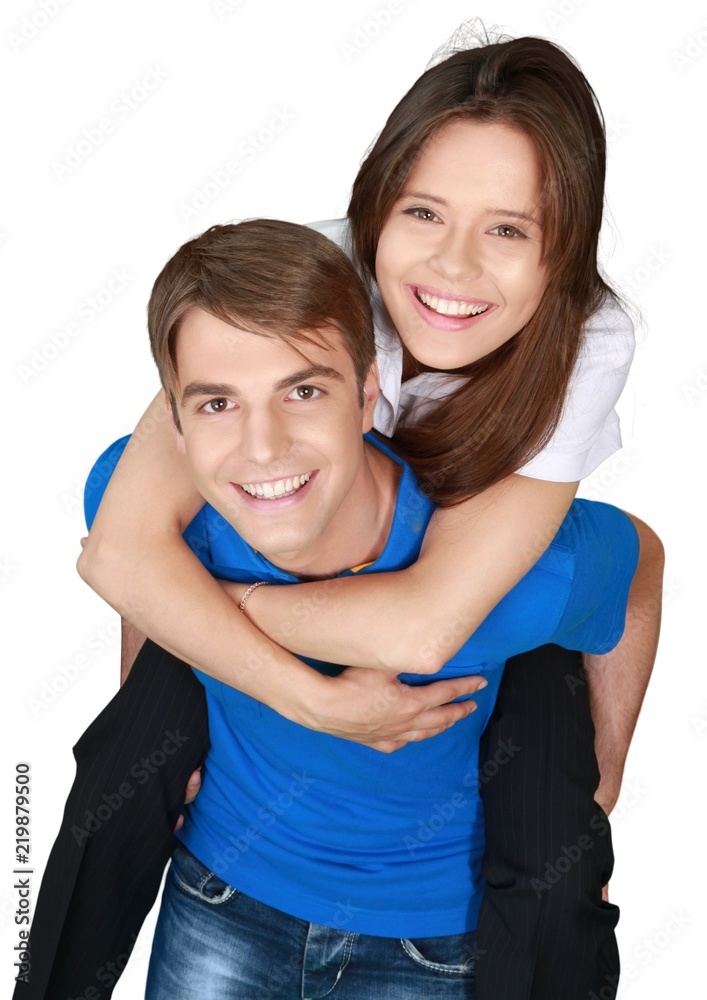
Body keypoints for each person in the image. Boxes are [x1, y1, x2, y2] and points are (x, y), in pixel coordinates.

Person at [24, 31, 661, 1000]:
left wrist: (603, 771)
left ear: (559, 254)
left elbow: (427, 620)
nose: (452, 266)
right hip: (278, 569)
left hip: (455, 584)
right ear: (373, 212)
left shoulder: (585, 342)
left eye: (507, 229)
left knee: (554, 862)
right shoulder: (305, 286)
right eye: (422, 213)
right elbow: (127, 546)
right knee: (121, 771)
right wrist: (206, 679)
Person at [116, 219, 637, 998]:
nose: (263, 447)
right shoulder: (158, 525)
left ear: (368, 395)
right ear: (177, 426)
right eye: (219, 403)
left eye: (302, 391)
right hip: (219, 896)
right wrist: (158, 731)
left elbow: (636, 570)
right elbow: (136, 580)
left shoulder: (505, 572)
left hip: (428, 944)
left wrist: (601, 780)